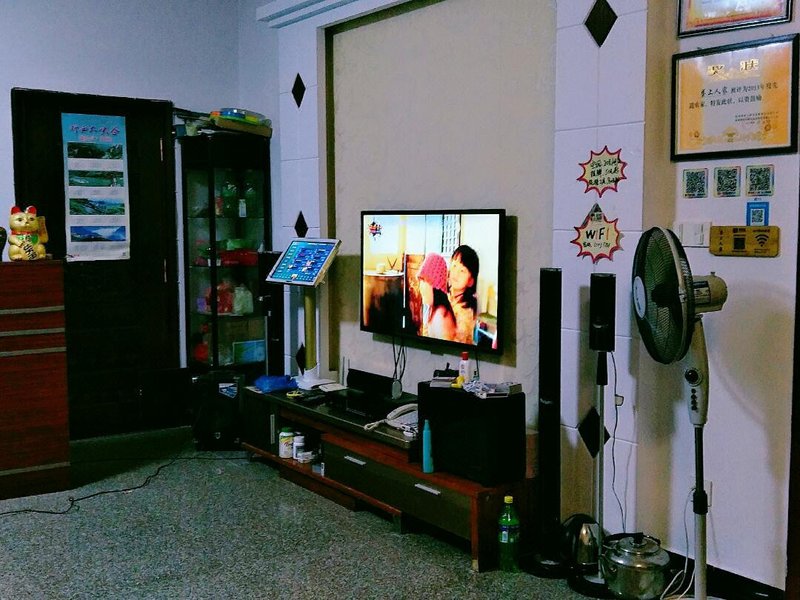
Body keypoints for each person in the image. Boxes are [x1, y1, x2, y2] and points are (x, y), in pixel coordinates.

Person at [417, 252, 456, 340]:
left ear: (436, 285)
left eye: (424, 281)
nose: (421, 287)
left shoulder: (440, 316)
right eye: (420, 281)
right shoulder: (433, 309)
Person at [448, 245, 479, 345]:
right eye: (454, 266)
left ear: (470, 281)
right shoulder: (448, 295)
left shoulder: (465, 312)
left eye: (462, 271)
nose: (456, 273)